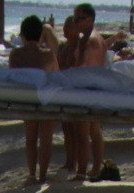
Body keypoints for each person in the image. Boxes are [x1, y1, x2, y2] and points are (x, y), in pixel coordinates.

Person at [8, 15, 59, 185]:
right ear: (40, 35)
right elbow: (56, 76)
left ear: (22, 35)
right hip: (46, 100)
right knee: (46, 140)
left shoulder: (15, 55)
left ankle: (31, 174)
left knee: (30, 138)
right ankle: (42, 175)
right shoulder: (48, 55)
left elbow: (13, 77)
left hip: (27, 99)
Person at [70, 3, 108, 182]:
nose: (75, 22)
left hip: (86, 89)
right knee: (94, 130)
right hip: (97, 88)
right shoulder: (99, 38)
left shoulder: (87, 40)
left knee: (82, 133)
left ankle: (81, 172)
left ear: (90, 20)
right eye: (74, 18)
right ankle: (96, 168)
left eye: (79, 18)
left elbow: (81, 66)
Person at [56, 16, 80, 177]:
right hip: (63, 91)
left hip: (75, 92)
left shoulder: (79, 47)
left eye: (68, 27)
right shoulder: (63, 46)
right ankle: (69, 161)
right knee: (66, 129)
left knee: (75, 130)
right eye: (64, 26)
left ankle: (75, 163)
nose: (64, 29)